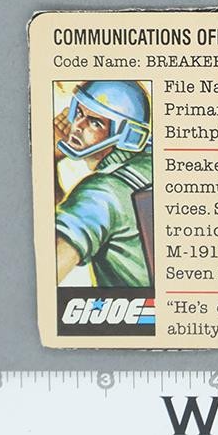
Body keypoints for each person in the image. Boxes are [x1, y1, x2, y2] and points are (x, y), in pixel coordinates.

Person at [54, 81, 153, 288]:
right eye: (78, 113)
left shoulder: (100, 192)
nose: (78, 126)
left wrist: (46, 159)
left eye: (95, 123)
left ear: (128, 136)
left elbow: (46, 271)